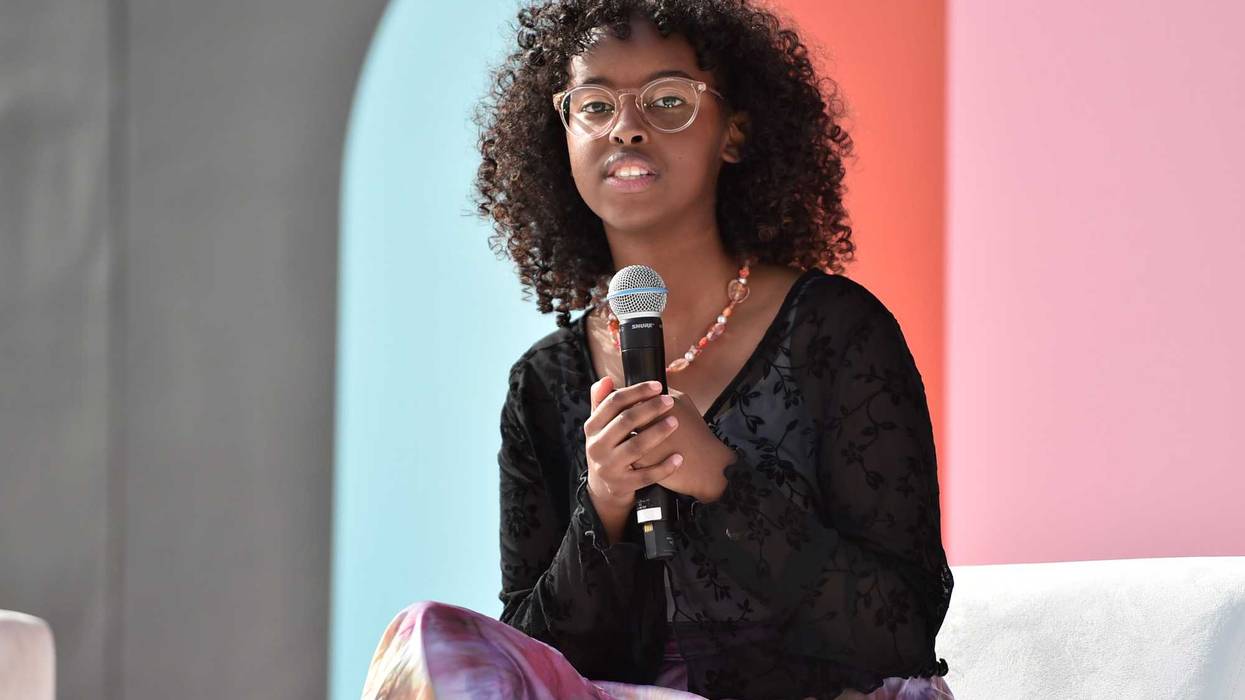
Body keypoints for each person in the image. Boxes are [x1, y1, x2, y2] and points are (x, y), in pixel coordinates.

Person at [360, 1, 956, 698]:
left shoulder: (836, 330)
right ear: (562, 138)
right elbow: (535, 660)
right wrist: (605, 502)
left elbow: (902, 627)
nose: (627, 127)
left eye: (667, 100)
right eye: (594, 105)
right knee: (428, 634)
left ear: (733, 132)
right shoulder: (543, 382)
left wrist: (719, 481)